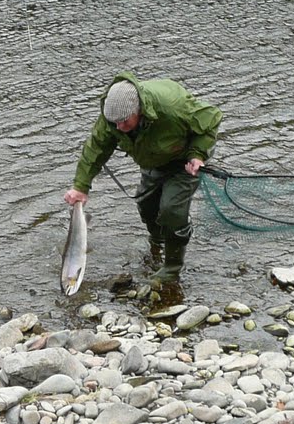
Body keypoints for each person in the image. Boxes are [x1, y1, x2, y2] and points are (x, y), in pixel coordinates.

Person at [63, 73, 222, 284]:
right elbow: (96, 149)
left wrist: (197, 154)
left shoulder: (173, 107)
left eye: (124, 122)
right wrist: (80, 186)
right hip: (153, 161)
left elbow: (212, 118)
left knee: (171, 209)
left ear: (138, 111)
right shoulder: (112, 117)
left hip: (184, 161)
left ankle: (172, 268)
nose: (118, 128)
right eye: (114, 123)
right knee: (146, 206)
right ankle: (158, 240)